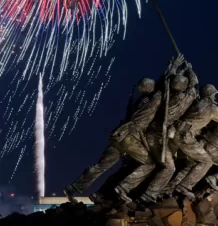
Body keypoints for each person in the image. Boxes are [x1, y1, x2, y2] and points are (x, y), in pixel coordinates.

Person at [64, 56, 183, 204]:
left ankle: (74, 188)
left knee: (101, 165)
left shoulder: (138, 101)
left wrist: (171, 68)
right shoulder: (154, 99)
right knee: (150, 163)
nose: (154, 87)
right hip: (130, 137)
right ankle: (123, 188)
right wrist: (172, 69)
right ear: (148, 88)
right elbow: (163, 86)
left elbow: (159, 86)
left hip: (118, 135)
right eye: (152, 86)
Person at [139, 63, 198, 203]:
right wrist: (189, 68)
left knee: (160, 163)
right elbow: (195, 82)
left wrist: (176, 69)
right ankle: (149, 194)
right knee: (169, 167)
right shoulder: (187, 97)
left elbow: (164, 82)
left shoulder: (164, 95)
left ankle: (155, 191)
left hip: (153, 133)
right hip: (161, 136)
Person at [166, 84, 218, 200]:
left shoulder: (197, 103)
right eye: (214, 95)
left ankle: (169, 188)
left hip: (184, 135)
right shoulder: (212, 108)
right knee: (206, 162)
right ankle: (185, 186)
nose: (215, 97)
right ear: (210, 94)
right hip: (187, 136)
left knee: (192, 165)